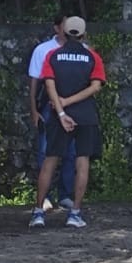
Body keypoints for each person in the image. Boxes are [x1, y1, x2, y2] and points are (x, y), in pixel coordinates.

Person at [30, 16, 106, 229]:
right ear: (83, 34)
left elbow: (49, 86)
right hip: (85, 115)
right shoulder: (92, 56)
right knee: (82, 163)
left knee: (49, 161)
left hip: (58, 117)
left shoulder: (53, 55)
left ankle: (38, 213)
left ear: (64, 31)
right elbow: (96, 87)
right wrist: (70, 102)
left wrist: (61, 111)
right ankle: (75, 213)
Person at [27, 15, 77, 212]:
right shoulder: (43, 50)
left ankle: (65, 195)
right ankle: (45, 195)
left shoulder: (83, 50)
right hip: (48, 107)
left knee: (71, 153)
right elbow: (34, 82)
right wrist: (33, 109)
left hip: (73, 105)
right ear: (57, 28)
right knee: (46, 151)